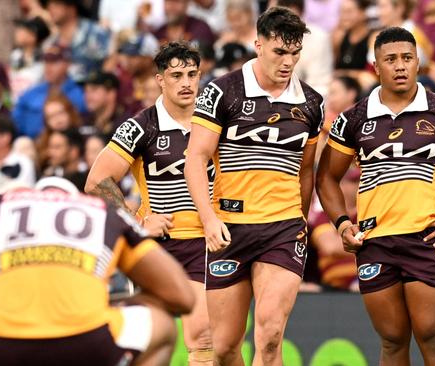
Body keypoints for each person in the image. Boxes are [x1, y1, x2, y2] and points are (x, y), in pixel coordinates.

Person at [316, 27, 435, 365]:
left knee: (432, 336)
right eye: (391, 60)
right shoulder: (352, 119)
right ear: (376, 67)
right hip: (374, 242)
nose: (400, 66)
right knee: (391, 341)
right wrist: (343, 224)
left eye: (407, 58)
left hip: (425, 238)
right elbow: (326, 178)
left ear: (418, 63)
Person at [0, 176, 195, 366]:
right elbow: (182, 297)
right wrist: (113, 300)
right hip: (89, 343)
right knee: (164, 324)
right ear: (76, 198)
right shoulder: (105, 212)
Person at [185, 7, 323, 365]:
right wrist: (208, 220)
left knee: (271, 335)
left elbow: (306, 170)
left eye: (295, 53)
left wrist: (301, 222)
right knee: (226, 346)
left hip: (283, 227)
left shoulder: (311, 104)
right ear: (258, 45)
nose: (288, 62)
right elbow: (196, 159)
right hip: (229, 230)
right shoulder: (221, 92)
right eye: (280, 52)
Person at [86, 42, 214, 365]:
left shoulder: (215, 120)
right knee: (146, 338)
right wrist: (136, 222)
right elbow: (97, 181)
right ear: (160, 80)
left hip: (207, 240)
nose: (186, 83)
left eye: (192, 74)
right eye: (176, 76)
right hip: (160, 246)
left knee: (205, 335)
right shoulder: (141, 126)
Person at [12, 44, 86, 139]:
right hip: (30, 143)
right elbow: (15, 120)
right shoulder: (32, 93)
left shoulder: (79, 94)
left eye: (54, 62)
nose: (48, 67)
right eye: (46, 62)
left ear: (67, 64)